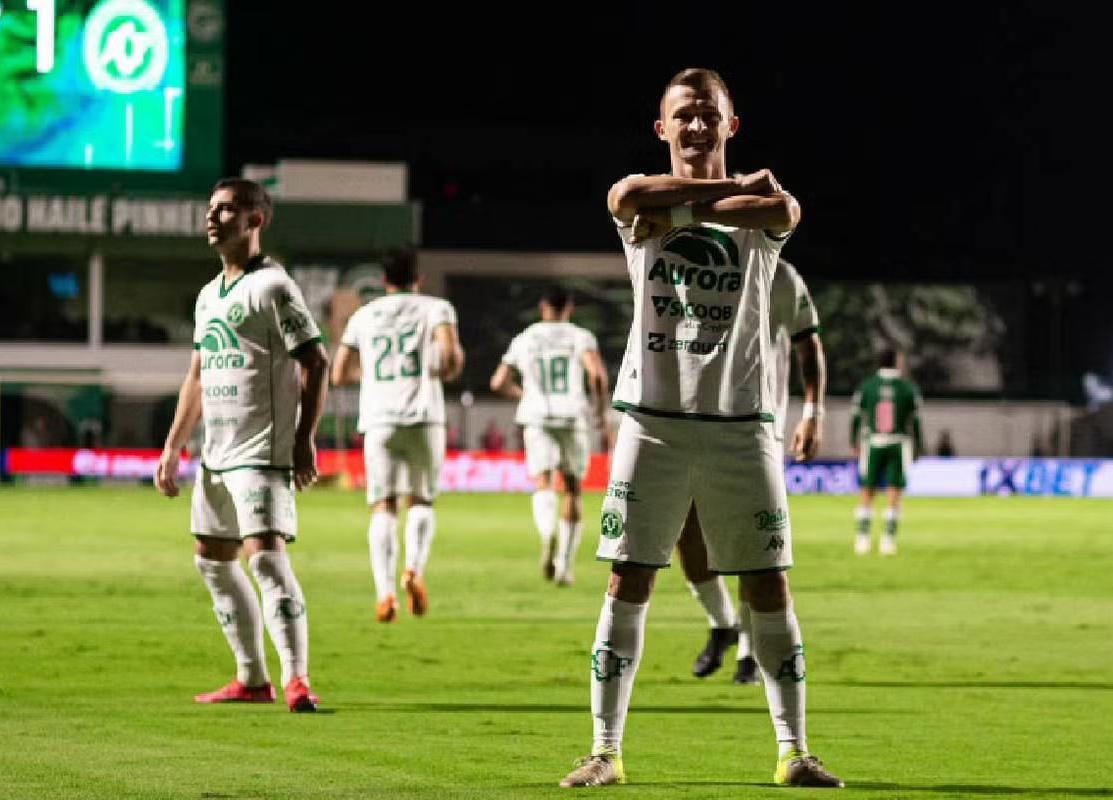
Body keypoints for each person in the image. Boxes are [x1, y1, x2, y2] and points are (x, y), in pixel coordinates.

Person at [558, 68, 843, 789]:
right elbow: (627, 195)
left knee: (769, 588)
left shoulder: (760, 216)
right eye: (682, 115)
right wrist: (717, 197)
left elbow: (784, 210)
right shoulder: (648, 203)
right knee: (629, 581)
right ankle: (604, 752)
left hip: (740, 427)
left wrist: (682, 217)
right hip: (651, 423)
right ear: (662, 129)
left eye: (707, 114)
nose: (694, 126)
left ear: (729, 124)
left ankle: (793, 751)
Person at [154, 177, 328, 712]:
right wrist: (172, 448)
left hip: (262, 450)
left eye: (227, 210)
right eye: (211, 209)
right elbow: (198, 377)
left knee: (268, 561)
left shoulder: (274, 286)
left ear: (257, 220)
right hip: (217, 454)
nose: (214, 218)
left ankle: (296, 680)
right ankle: (252, 678)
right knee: (212, 561)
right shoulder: (209, 295)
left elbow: (316, 362)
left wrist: (304, 441)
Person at [678, 258, 826, 686]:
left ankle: (747, 652)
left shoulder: (779, 273)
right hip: (689, 425)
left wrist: (813, 412)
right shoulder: (689, 262)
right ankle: (723, 623)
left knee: (750, 547)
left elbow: (808, 342)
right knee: (686, 539)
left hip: (757, 431)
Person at [331, 248, 464, 622]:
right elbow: (451, 358)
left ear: (383, 281)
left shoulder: (364, 315)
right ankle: (414, 571)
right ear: (416, 278)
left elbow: (339, 374)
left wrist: (370, 375)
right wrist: (446, 367)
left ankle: (384, 592)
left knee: (383, 505)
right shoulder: (437, 309)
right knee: (421, 501)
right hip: (425, 418)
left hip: (379, 420)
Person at [489, 286, 609, 585]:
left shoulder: (525, 338)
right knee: (572, 489)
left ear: (543, 307)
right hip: (572, 415)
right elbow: (596, 375)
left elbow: (498, 381)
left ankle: (547, 533)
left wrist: (524, 395)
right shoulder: (579, 337)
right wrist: (599, 410)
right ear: (568, 309)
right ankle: (565, 567)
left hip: (537, 415)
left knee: (543, 482)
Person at [850, 349, 923, 555]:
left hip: (872, 443)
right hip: (897, 444)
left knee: (867, 490)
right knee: (893, 492)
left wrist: (853, 442)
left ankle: (862, 539)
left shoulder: (867, 386)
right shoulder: (907, 388)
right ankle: (887, 540)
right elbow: (915, 421)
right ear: (897, 361)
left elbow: (856, 417)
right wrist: (918, 446)